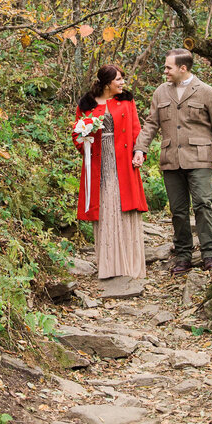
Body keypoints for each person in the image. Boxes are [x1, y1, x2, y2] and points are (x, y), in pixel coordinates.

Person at [132, 49, 212, 274]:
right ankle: (183, 255)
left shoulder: (206, 92)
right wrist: (140, 149)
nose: (164, 71)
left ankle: (209, 254)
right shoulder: (160, 92)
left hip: (199, 158)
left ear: (182, 68)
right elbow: (151, 124)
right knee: (178, 210)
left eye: (168, 67)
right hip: (171, 161)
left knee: (203, 206)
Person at [74, 65, 149, 283]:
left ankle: (130, 266)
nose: (122, 83)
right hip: (99, 164)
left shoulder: (127, 100)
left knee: (125, 207)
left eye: (122, 79)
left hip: (124, 163)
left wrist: (140, 152)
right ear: (107, 83)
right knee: (105, 208)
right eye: (118, 79)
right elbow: (77, 133)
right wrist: (85, 138)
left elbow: (136, 129)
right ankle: (108, 266)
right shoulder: (86, 103)